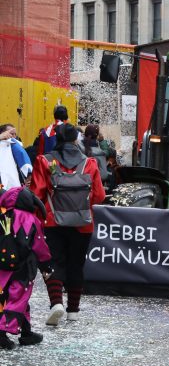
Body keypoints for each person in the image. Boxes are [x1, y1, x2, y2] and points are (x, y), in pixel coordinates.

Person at [28, 123, 105, 326]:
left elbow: (36, 194)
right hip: (83, 223)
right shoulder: (89, 163)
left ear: (57, 139)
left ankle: (56, 304)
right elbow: (99, 196)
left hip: (52, 221)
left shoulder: (44, 160)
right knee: (76, 264)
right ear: (75, 140)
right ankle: (73, 311)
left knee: (53, 262)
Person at [0, 187, 53, 349]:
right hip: (23, 269)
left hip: (3, 267)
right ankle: (2, 333)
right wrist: (46, 266)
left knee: (7, 298)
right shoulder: (31, 220)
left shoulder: (3, 216)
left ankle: (26, 332)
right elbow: (40, 247)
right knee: (17, 299)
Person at [0, 125, 33, 191]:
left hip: (11, 188)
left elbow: (24, 164)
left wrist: (25, 181)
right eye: (11, 134)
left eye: (15, 134)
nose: (14, 136)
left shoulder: (16, 147)